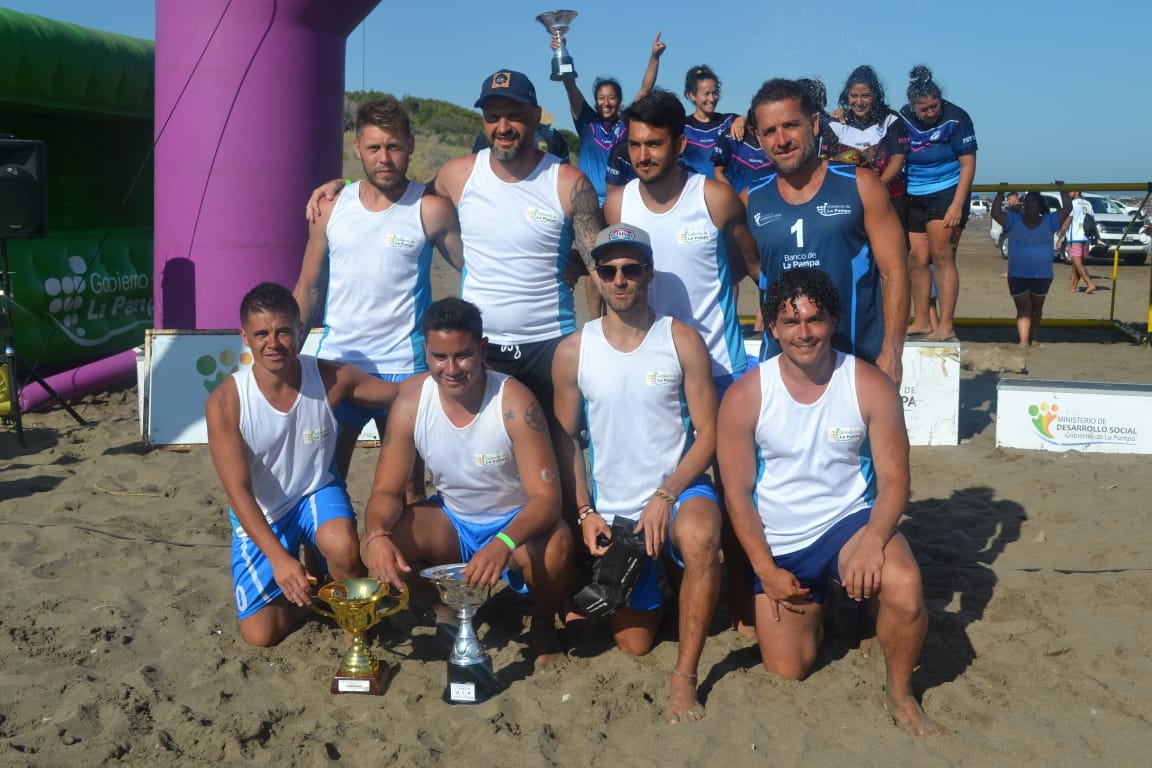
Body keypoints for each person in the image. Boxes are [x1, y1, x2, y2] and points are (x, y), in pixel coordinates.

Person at [716, 267, 942, 738]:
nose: (804, 333)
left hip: (847, 523)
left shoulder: (869, 384)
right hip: (782, 538)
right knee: (788, 668)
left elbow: (896, 481)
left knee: (903, 585)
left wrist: (873, 543)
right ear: (772, 327)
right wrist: (765, 570)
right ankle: (830, 605)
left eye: (814, 319)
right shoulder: (745, 395)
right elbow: (736, 494)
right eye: (791, 321)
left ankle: (900, 692)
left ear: (833, 321)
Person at [307, 70, 604, 423]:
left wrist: (580, 263)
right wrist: (346, 185)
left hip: (550, 342)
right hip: (479, 346)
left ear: (536, 116)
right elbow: (398, 197)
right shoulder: (457, 175)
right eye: (493, 117)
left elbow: (604, 266)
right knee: (483, 450)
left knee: (562, 444)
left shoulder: (569, 182)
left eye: (515, 115)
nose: (503, 126)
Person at [552, 224, 721, 725]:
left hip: (679, 491)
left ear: (649, 274)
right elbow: (566, 441)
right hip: (617, 509)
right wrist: (584, 511)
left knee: (700, 538)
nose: (620, 279)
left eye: (630, 269)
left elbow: (709, 433)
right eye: (608, 270)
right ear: (596, 277)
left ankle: (684, 677)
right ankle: (666, 582)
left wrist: (667, 493)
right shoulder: (574, 350)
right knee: (634, 644)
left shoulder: (681, 339)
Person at [361, 297, 573, 666]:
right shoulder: (410, 405)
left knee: (557, 546)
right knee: (376, 544)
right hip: (454, 522)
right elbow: (385, 492)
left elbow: (546, 500)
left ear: (483, 350)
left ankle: (542, 624)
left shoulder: (514, 402)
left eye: (462, 355)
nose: (451, 368)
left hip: (515, 523)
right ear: (426, 352)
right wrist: (377, 534)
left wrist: (503, 542)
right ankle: (445, 611)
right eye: (439, 357)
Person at [205, 282, 401, 647]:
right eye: (261, 334)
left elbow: (399, 392)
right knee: (261, 636)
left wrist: (453, 376)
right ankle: (321, 596)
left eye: (283, 331)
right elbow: (238, 492)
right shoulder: (225, 402)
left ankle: (355, 636)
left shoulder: (330, 377)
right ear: (244, 336)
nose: (273, 343)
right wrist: (279, 559)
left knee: (342, 544)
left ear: (300, 330)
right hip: (264, 512)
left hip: (314, 492)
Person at [295, 97, 462, 494]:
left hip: (406, 368)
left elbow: (477, 270)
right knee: (322, 481)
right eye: (373, 147)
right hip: (339, 364)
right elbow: (308, 287)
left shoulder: (431, 209)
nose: (384, 158)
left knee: (409, 489)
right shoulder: (330, 208)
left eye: (393, 146)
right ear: (357, 148)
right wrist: (287, 363)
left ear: (410, 146)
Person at [744, 78, 909, 385]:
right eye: (769, 131)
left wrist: (892, 353)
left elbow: (895, 272)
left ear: (815, 124)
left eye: (791, 126)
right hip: (781, 370)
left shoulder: (862, 185)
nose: (782, 140)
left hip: (858, 364)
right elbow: (749, 270)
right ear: (759, 138)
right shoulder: (749, 200)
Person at [604, 88, 759, 392]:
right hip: (652, 373)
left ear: (679, 145)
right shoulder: (617, 206)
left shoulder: (716, 199)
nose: (642, 157)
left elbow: (752, 267)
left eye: (654, 144)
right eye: (634, 145)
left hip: (720, 367)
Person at [899, 65, 977, 342]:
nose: (931, 113)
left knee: (942, 254)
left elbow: (968, 164)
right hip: (914, 193)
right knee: (916, 258)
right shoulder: (902, 117)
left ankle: (946, 325)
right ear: (913, 106)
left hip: (947, 191)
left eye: (934, 106)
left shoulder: (957, 117)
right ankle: (922, 320)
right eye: (924, 109)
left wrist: (957, 204)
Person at [554, 32, 664, 201]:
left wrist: (654, 57)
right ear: (596, 101)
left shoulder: (626, 123)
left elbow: (645, 90)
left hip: (621, 200)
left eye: (612, 97)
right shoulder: (586, 122)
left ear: (619, 101)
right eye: (601, 98)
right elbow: (570, 86)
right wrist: (561, 50)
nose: (606, 103)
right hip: (587, 201)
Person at [827, 65, 909, 228]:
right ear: (847, 95)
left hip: (890, 196)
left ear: (875, 95)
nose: (859, 102)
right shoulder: (836, 123)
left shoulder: (890, 119)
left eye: (865, 96)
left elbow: (898, 159)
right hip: (849, 200)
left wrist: (877, 188)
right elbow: (826, 163)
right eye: (854, 96)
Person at [991, 189, 1071, 347]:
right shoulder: (1014, 220)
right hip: (1018, 274)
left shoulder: (1049, 221)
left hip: (1042, 275)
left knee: (1036, 308)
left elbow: (1068, 208)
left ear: (1040, 206)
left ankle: (1031, 338)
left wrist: (1062, 190)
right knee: (1024, 308)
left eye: (1033, 201)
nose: (1029, 204)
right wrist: (1000, 194)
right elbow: (995, 213)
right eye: (1027, 201)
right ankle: (1023, 342)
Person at [681, 64, 744, 178]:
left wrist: (743, 120)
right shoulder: (683, 126)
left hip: (724, 188)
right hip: (692, 188)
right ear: (692, 95)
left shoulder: (728, 122)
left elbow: (755, 124)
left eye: (715, 93)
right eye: (706, 94)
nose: (711, 98)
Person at [470, 121, 570, 164]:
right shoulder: (486, 135)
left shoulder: (550, 135)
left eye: (515, 115)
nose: (503, 130)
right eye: (493, 116)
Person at [1065, 190, 1097, 294]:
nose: (1068, 193)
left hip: (1075, 237)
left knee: (1078, 264)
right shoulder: (1088, 203)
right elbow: (1092, 220)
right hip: (1085, 236)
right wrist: (1096, 236)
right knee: (1077, 264)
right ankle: (1074, 287)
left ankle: (1089, 283)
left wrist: (1060, 236)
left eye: (1069, 191)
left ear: (1076, 191)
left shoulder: (1072, 204)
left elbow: (1068, 220)